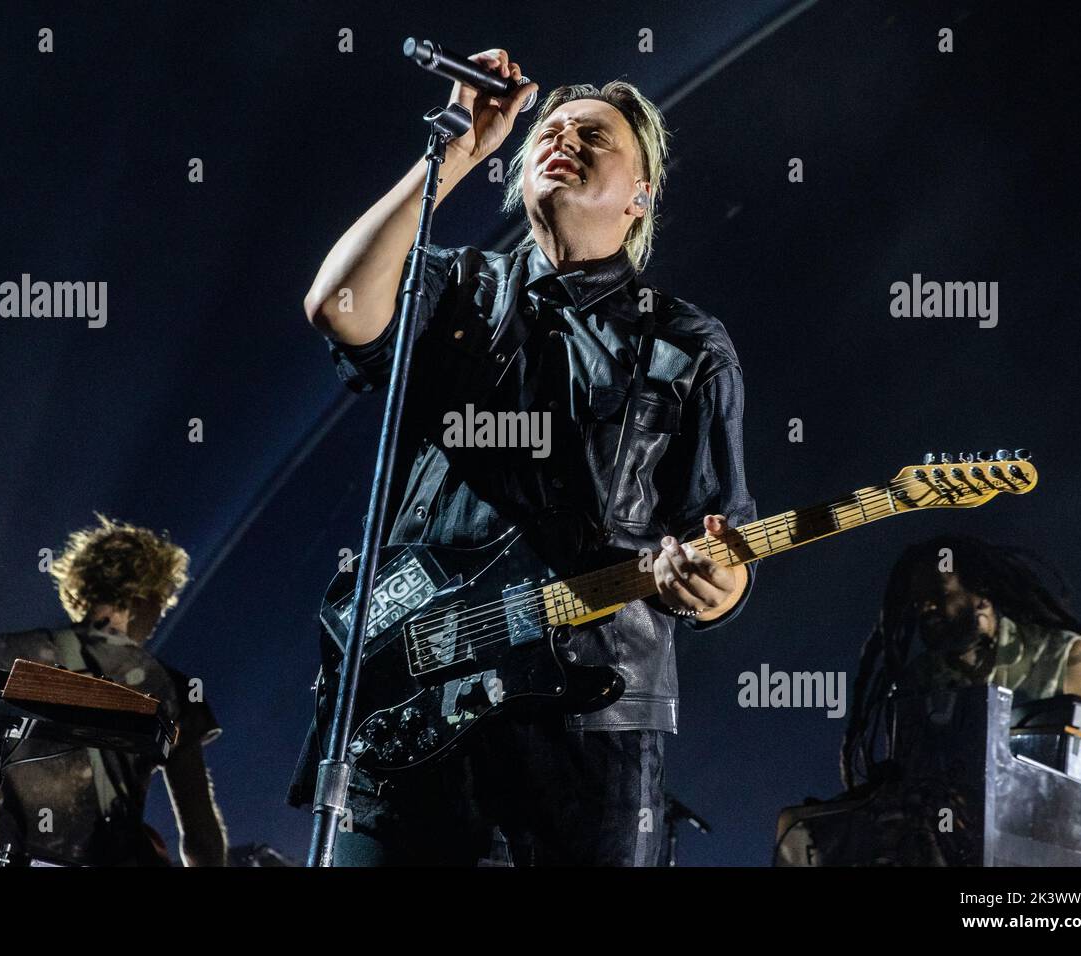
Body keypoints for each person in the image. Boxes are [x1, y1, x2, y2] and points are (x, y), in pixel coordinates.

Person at [291, 49, 757, 865]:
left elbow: (725, 538)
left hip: (589, 718)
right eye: (555, 126)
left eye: (597, 136)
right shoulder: (458, 290)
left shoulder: (688, 344)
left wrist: (715, 586)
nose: (566, 136)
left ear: (641, 195)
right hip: (415, 689)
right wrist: (457, 151)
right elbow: (338, 305)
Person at [0, 515, 228, 866]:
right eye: (159, 605)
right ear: (141, 597)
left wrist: (4, 818)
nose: (157, 620)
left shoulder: (0, 653)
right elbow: (200, 838)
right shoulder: (171, 688)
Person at [841, 534, 1081, 791]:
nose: (926, 608)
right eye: (918, 601)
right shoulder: (919, 682)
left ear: (981, 596)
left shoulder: (1064, 657)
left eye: (938, 594)